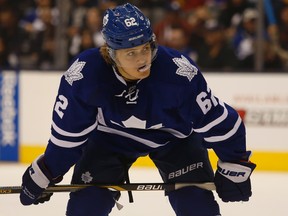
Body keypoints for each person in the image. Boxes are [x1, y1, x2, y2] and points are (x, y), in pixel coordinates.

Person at [19, 3, 256, 216]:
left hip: (175, 140)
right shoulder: (84, 76)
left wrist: (234, 165)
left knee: (197, 207)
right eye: (130, 53)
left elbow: (223, 124)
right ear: (110, 53)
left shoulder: (178, 74)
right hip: (109, 140)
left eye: (146, 48)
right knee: (85, 208)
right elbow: (67, 140)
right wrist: (46, 171)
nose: (142, 59)